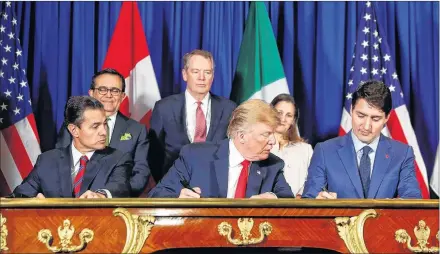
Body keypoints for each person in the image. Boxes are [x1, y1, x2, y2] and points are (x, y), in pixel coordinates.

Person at [148, 99, 293, 199]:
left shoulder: (273, 165)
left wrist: (273, 199)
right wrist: (178, 198)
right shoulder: (194, 156)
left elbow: (288, 200)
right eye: (266, 134)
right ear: (241, 136)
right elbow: (157, 195)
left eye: (273, 134)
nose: (273, 141)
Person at [302, 80, 422, 199]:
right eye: (361, 116)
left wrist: (392, 209)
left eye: (375, 119)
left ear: (387, 118)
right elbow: (309, 200)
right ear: (351, 110)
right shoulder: (324, 151)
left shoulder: (402, 154)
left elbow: (412, 199)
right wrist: (318, 202)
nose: (366, 126)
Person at [13, 96, 133, 198]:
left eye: (105, 124)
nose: (103, 132)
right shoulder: (47, 160)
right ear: (74, 130)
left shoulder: (118, 158)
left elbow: (120, 187)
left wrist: (101, 195)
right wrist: (33, 202)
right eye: (95, 126)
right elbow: (19, 196)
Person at [55, 68, 150, 197]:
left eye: (115, 90)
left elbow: (140, 175)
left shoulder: (137, 130)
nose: (109, 95)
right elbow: (59, 163)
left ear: (123, 96)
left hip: (118, 204)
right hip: (73, 201)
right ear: (92, 93)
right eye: (102, 89)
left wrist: (109, 195)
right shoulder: (74, 124)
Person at [148, 49, 236, 182]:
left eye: (207, 72)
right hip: (173, 187)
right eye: (195, 72)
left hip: (216, 187)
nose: (202, 77)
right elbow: (154, 155)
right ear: (184, 74)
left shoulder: (229, 108)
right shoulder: (164, 108)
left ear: (213, 76)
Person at [270, 94, 313, 198]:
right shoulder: (260, 146)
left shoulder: (305, 149)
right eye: (279, 113)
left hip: (299, 207)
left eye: (289, 115)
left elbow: (313, 179)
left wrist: (301, 195)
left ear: (293, 121)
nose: (282, 119)